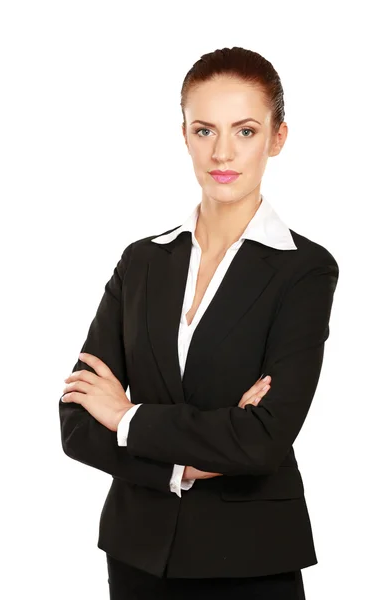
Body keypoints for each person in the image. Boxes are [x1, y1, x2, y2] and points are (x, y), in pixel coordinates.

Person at [59, 46, 339, 599]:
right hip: (137, 554)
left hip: (252, 558)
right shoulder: (141, 262)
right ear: (184, 135)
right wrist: (185, 466)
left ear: (277, 139)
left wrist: (127, 416)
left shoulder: (304, 270)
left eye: (246, 130)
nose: (223, 153)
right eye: (205, 131)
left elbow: (262, 440)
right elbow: (77, 422)